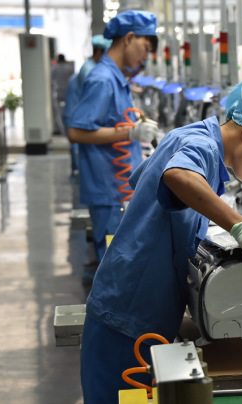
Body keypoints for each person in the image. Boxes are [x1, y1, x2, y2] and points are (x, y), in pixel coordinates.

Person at [79, 78, 242, 402]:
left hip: (141, 317)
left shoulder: (196, 144)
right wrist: (239, 226)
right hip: (126, 323)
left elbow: (146, 179)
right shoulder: (201, 145)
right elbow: (176, 176)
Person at [68, 11, 160, 267]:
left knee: (120, 263)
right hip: (109, 191)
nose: (146, 55)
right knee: (114, 267)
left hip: (116, 188)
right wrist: (130, 133)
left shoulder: (116, 78)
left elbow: (111, 121)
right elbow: (76, 132)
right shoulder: (102, 80)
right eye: (145, 46)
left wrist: (136, 126)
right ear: (129, 38)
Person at [62, 35, 112, 177]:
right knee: (79, 150)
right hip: (76, 116)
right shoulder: (91, 72)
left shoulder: (92, 67)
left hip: (77, 113)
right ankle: (77, 172)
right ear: (98, 52)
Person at [51, 54, 74, 135]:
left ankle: (62, 131)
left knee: (58, 114)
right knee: (68, 111)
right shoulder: (69, 68)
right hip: (68, 92)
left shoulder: (54, 68)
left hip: (57, 93)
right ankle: (68, 130)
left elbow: (51, 81)